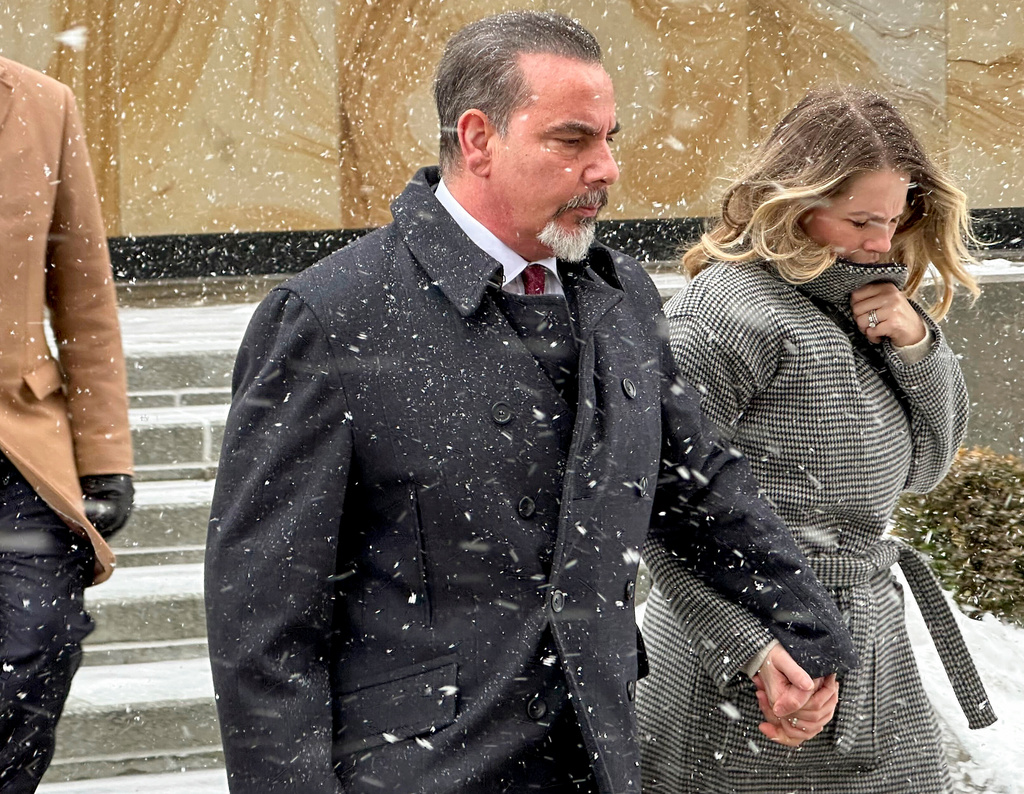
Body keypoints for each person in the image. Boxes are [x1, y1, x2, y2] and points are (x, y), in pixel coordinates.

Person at [204, 14, 858, 794]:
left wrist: (809, 634)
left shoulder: (621, 297)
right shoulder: (329, 316)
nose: (606, 168)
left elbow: (700, 487)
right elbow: (264, 621)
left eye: (610, 139)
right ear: (479, 138)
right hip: (416, 770)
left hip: (598, 755)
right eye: (572, 140)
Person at [637, 86, 997, 794]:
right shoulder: (726, 313)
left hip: (872, 660)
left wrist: (920, 348)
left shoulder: (875, 306)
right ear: (794, 204)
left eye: (893, 221)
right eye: (861, 220)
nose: (880, 243)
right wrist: (753, 649)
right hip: (740, 684)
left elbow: (926, 468)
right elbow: (655, 503)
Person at [0, 56, 134, 793]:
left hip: (19, 447)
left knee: (40, 641)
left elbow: (83, 294)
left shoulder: (43, 104)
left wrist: (106, 452)